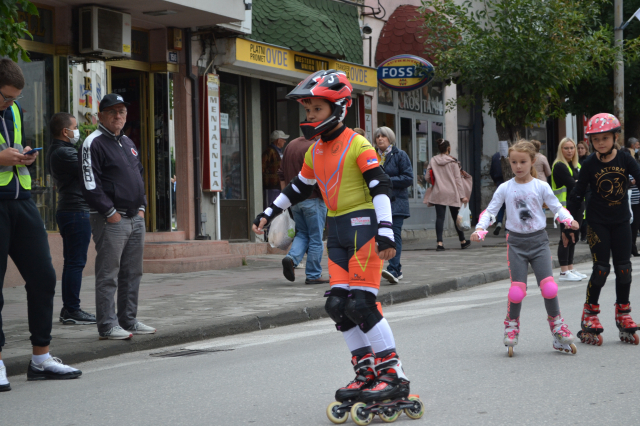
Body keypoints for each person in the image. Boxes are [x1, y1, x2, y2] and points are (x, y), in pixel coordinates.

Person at [252, 70, 419, 414]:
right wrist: (268, 212)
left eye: (316, 110)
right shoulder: (316, 150)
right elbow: (298, 188)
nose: (309, 116)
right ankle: (366, 372)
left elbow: (380, 186)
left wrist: (386, 230)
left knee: (361, 304)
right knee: (336, 306)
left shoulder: (359, 144)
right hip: (337, 231)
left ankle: (394, 375)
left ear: (339, 107)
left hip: (363, 229)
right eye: (308, 110)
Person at [0, 59, 81, 392]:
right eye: (5, 97)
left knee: (44, 276)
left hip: (22, 201)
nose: (9, 103)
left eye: (14, 98)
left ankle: (41, 358)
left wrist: (24, 157)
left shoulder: (14, 111)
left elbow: (13, 147)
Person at [472, 140, 579, 356]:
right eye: (514, 162)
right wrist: (480, 229)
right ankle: (511, 326)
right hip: (517, 244)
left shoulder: (540, 186)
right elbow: (491, 211)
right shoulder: (505, 187)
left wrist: (568, 220)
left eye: (522, 161)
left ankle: (557, 328)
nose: (518, 166)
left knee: (549, 287)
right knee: (517, 290)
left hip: (539, 242)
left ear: (532, 161)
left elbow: (557, 207)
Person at [80, 93, 156, 340]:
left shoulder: (128, 143)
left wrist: (142, 207)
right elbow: (90, 183)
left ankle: (129, 320)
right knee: (108, 274)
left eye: (122, 112)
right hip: (111, 219)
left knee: (133, 272)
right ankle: (107, 325)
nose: (118, 116)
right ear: (100, 115)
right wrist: (110, 212)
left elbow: (139, 177)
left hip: (135, 218)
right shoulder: (93, 142)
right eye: (112, 111)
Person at [567, 113, 640, 346]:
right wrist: (568, 224)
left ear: (615, 138)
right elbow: (576, 194)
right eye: (596, 139)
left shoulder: (626, 160)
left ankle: (623, 312)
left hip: (621, 222)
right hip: (597, 222)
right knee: (600, 269)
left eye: (605, 138)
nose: (600, 143)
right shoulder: (589, 164)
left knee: (624, 269)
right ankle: (590, 314)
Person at [47, 112, 96, 324]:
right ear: (65, 131)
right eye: (75, 127)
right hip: (75, 211)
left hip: (73, 210)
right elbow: (90, 169)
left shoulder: (64, 150)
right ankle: (72, 309)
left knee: (73, 262)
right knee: (76, 262)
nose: (77, 131)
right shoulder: (63, 152)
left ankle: (70, 308)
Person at [277, 135, 329, 285]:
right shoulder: (316, 147)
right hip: (313, 199)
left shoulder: (291, 145)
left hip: (294, 200)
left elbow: (281, 173)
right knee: (315, 238)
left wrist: (286, 199)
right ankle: (313, 274)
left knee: (303, 233)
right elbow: (321, 175)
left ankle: (291, 259)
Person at [374, 127, 413, 284]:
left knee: (393, 235)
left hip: (396, 202)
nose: (380, 139)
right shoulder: (371, 155)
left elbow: (408, 178)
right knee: (377, 237)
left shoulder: (400, 155)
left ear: (390, 138)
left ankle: (394, 269)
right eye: (377, 136)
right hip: (376, 203)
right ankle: (395, 268)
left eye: (383, 136)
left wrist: (387, 180)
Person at [551, 137, 586, 282]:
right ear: (561, 150)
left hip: (577, 206)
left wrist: (580, 183)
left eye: (572, 148)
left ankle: (570, 268)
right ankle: (564, 272)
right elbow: (574, 185)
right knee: (565, 237)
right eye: (566, 148)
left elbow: (583, 184)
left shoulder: (575, 165)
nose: (570, 151)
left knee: (573, 237)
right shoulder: (560, 165)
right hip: (565, 208)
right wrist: (580, 183)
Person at [426, 139, 470, 251]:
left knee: (440, 217)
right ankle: (463, 241)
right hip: (452, 192)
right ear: (448, 148)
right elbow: (458, 180)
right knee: (456, 217)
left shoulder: (433, 160)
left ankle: (439, 243)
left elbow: (427, 177)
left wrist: (436, 183)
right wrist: (462, 196)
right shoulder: (453, 162)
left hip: (438, 192)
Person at [262, 130, 289, 209]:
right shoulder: (269, 151)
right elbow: (262, 168)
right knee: (270, 208)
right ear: (278, 140)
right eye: (283, 139)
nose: (285, 141)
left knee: (276, 208)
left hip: (278, 186)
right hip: (271, 186)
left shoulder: (278, 152)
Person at [623, 138, 640, 257]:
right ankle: (630, 248)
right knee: (630, 226)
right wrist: (630, 182)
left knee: (635, 226)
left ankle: (633, 247)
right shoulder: (624, 167)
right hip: (628, 200)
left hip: (636, 200)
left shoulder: (635, 166)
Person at [489, 151, 506, 235]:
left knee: (501, 204)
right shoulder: (512, 154)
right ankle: (507, 227)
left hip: (499, 181)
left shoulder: (495, 155)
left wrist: (495, 180)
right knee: (511, 203)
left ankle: (499, 222)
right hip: (509, 180)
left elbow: (491, 170)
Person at [577, 140, 591, 242]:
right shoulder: (575, 161)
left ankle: (585, 234)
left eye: (582, 148)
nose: (580, 150)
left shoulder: (588, 160)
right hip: (579, 189)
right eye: (578, 148)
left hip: (588, 189)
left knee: (585, 213)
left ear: (586, 150)